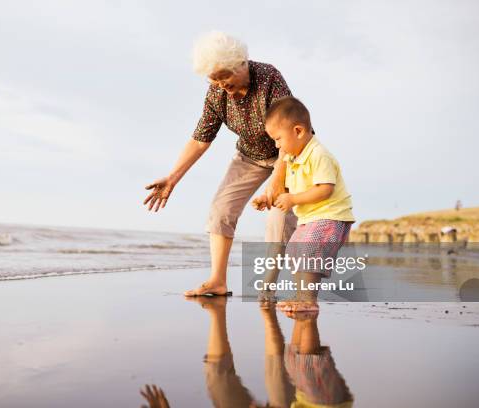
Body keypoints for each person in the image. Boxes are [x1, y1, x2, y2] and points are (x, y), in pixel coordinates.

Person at [143, 31, 297, 296]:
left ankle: (269, 285)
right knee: (221, 210)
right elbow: (201, 139)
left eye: (224, 75)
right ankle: (217, 281)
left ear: (241, 63)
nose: (220, 83)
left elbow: (289, 133)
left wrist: (278, 181)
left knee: (279, 215)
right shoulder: (216, 93)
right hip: (250, 155)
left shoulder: (269, 77)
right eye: (213, 78)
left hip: (290, 152)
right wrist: (172, 178)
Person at [252, 96, 355, 312]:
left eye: (278, 139)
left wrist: (293, 200)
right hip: (311, 218)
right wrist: (267, 198)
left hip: (331, 216)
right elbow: (289, 188)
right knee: (295, 251)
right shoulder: (294, 159)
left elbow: (325, 189)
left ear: (298, 131)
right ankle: (302, 296)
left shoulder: (318, 155)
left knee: (308, 251)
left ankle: (308, 299)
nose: (276, 145)